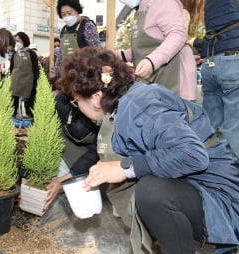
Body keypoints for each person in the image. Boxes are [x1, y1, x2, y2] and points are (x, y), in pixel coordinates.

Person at [59, 47, 239, 254]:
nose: (77, 106)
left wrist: (125, 168)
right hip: (196, 186)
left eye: (77, 100)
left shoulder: (141, 106)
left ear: (97, 96)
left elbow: (193, 155)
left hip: (223, 199)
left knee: (151, 192)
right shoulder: (127, 103)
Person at [118, 0, 197, 101]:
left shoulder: (164, 2)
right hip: (153, 83)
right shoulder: (142, 7)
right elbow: (148, 43)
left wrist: (152, 61)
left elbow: (178, 35)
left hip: (173, 79)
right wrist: (122, 56)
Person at [198, 0, 239, 157]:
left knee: (210, 129)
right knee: (234, 130)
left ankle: (211, 174)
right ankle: (233, 177)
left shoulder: (210, 4)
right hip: (233, 62)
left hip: (210, 62)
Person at [53, 0, 101, 79]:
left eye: (69, 13)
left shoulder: (87, 25)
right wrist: (56, 73)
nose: (67, 16)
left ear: (77, 10)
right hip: (67, 75)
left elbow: (97, 51)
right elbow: (61, 55)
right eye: (63, 14)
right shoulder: (64, 29)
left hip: (84, 76)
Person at [10, 31, 39, 120]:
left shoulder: (31, 53)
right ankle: (14, 114)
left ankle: (29, 114)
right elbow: (11, 67)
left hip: (28, 80)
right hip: (15, 80)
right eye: (15, 41)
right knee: (14, 98)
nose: (17, 43)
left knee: (29, 99)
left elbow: (35, 68)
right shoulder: (14, 54)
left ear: (24, 41)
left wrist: (36, 79)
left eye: (18, 40)